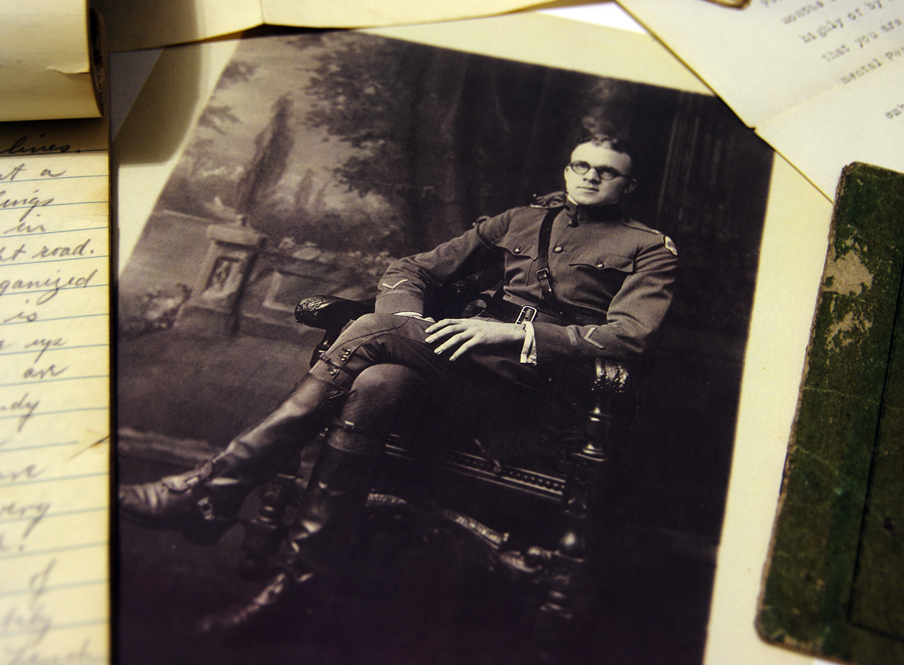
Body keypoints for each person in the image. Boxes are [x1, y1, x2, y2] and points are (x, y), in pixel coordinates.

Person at [119, 134, 679, 634]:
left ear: (628, 186)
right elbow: (411, 269)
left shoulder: (649, 248)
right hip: (464, 371)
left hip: (538, 395)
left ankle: (212, 490)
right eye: (581, 165)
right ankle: (297, 582)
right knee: (379, 382)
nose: (589, 177)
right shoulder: (522, 220)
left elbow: (629, 337)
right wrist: (406, 321)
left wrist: (511, 333)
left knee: (370, 338)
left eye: (606, 172)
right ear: (567, 169)